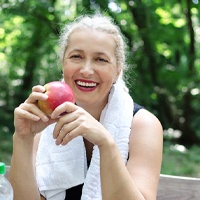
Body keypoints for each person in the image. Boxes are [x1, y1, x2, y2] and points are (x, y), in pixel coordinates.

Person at [9, 14, 163, 200]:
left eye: (100, 59)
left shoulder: (143, 125)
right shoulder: (42, 121)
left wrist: (106, 145)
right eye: (76, 57)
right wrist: (23, 138)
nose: (87, 70)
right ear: (63, 63)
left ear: (117, 71)